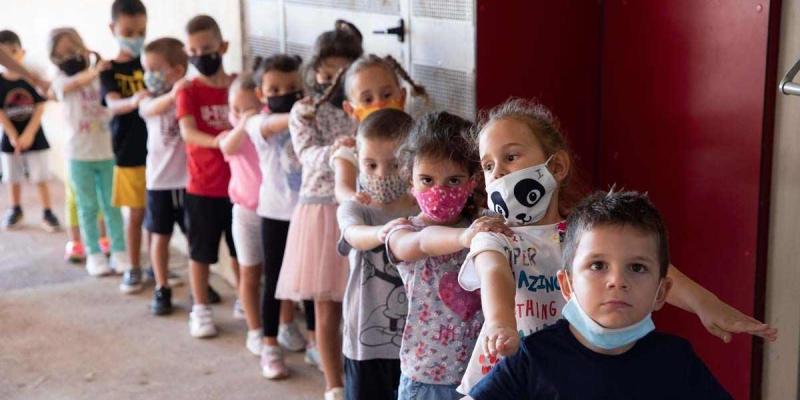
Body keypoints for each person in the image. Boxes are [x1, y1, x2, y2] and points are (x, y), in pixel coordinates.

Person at [456, 98, 778, 393]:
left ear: (556, 167)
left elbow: (651, 266)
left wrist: (706, 304)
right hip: (515, 370)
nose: (498, 172)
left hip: (573, 364)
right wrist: (500, 324)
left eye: (510, 157)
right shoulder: (495, 237)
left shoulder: (582, 232)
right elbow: (494, 275)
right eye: (487, 166)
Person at [469, 191, 733, 399]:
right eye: (598, 265)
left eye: (637, 268)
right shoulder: (533, 359)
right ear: (567, 284)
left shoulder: (676, 361)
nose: (617, 281)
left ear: (661, 292)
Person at [383, 111, 511, 400]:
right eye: (427, 180)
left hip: (483, 372)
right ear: (409, 180)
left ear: (473, 182)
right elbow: (424, 243)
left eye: (453, 181)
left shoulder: (481, 224)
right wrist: (465, 238)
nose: (439, 192)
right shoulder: (403, 232)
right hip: (427, 378)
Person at [274, 20, 362, 399]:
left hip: (362, 211)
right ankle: (334, 385)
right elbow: (307, 155)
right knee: (326, 307)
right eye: (326, 73)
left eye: (341, 73)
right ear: (315, 71)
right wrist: (341, 150)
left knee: (362, 305)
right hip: (322, 213)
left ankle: (363, 377)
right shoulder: (304, 110)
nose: (332, 80)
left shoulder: (363, 106)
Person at [238, 54, 316, 379]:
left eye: (292, 88)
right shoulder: (256, 122)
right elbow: (271, 124)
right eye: (274, 88)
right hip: (274, 213)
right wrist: (299, 112)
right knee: (274, 282)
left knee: (313, 283)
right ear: (261, 93)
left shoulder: (313, 119)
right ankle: (269, 345)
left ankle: (315, 342)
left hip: (310, 211)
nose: (284, 92)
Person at [336, 109, 417, 400]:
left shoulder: (425, 210)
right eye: (370, 165)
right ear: (358, 163)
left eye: (394, 165)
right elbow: (353, 235)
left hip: (418, 343)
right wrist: (383, 234)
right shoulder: (356, 208)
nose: (381, 175)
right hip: (365, 342)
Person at [176, 14, 239, 338]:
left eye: (207, 48)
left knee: (241, 252)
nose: (201, 56)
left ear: (223, 46)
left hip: (240, 189)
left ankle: (246, 300)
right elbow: (188, 132)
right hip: (202, 187)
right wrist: (219, 141)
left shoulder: (238, 87)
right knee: (200, 253)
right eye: (194, 51)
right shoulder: (188, 90)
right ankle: (200, 308)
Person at [48, 27, 125, 276]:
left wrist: (100, 67)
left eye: (72, 51)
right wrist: (95, 70)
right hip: (78, 154)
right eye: (60, 56)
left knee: (112, 204)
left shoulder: (101, 73)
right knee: (87, 205)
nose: (68, 58)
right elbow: (72, 85)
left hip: (106, 151)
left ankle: (120, 250)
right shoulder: (60, 80)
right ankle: (93, 253)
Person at [328, 53, 428, 205]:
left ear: (402, 96)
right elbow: (341, 188)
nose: (379, 103)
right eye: (368, 99)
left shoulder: (418, 141)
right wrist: (353, 198)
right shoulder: (350, 148)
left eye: (386, 95)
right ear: (350, 109)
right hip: (370, 225)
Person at [98, 0, 149, 292]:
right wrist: (134, 101)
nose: (135, 37)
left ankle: (157, 265)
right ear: (113, 28)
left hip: (158, 152)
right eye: (128, 31)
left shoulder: (151, 61)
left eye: (141, 31)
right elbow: (113, 103)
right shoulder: (109, 69)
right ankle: (133, 266)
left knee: (157, 215)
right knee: (136, 214)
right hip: (128, 152)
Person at [139, 37, 189, 315]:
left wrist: (182, 94)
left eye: (155, 68)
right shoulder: (148, 98)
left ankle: (200, 283)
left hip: (189, 183)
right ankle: (161, 285)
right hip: (159, 182)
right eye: (146, 68)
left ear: (177, 70)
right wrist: (173, 96)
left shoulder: (189, 94)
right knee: (159, 236)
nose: (149, 74)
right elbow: (149, 110)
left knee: (195, 237)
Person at [0, 30, 61, 232]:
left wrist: (29, 133)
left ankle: (47, 212)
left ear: (21, 52)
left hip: (34, 135)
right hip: (11, 136)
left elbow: (40, 105)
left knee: (41, 177)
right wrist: (12, 135)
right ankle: (15, 209)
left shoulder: (31, 77)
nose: (9, 57)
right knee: (12, 177)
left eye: (13, 52)